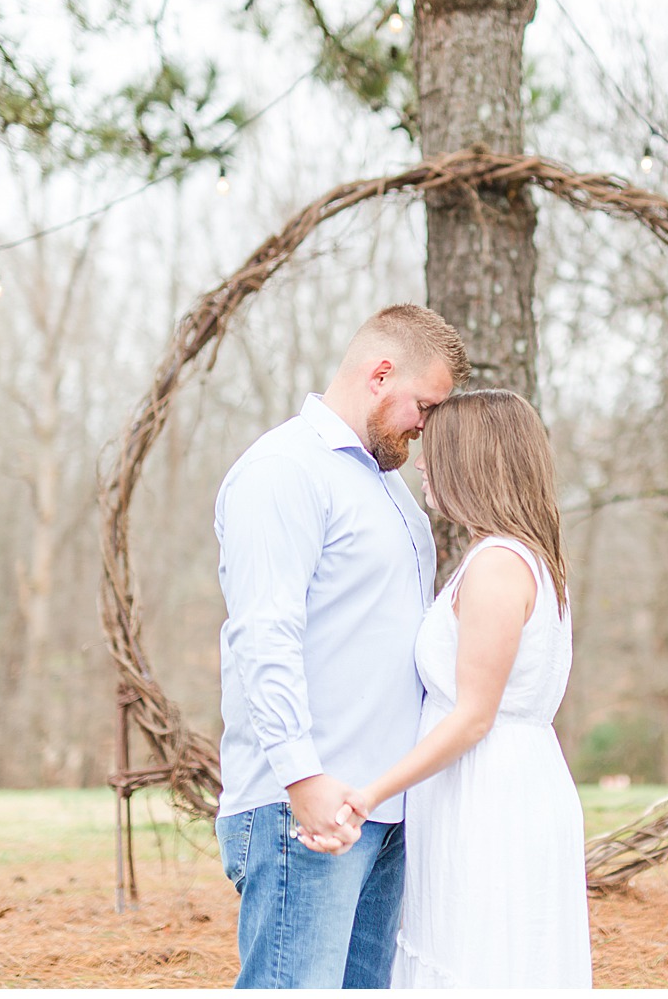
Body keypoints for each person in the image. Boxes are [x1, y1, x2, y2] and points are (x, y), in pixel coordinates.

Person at [212, 303, 470, 989]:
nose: (426, 424)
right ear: (380, 373)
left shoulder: (390, 489)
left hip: (381, 808)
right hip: (306, 808)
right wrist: (303, 776)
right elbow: (264, 632)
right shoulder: (283, 469)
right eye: (424, 404)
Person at [301, 389, 593, 988]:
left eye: (437, 452)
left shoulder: (499, 566)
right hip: (481, 785)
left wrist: (370, 793)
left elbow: (473, 716)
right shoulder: (511, 557)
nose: (422, 463)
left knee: (481, 962)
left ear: (473, 461)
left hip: (488, 793)